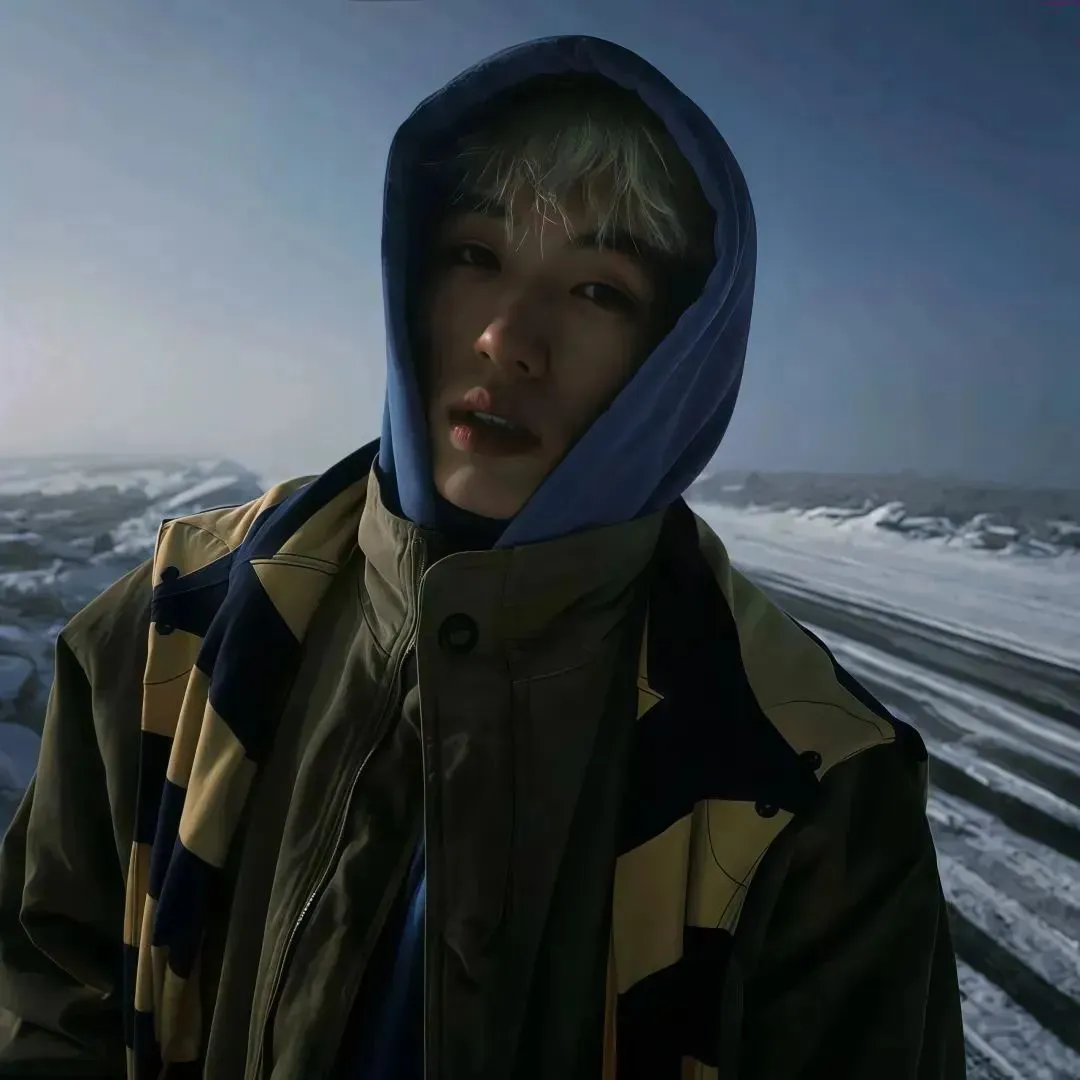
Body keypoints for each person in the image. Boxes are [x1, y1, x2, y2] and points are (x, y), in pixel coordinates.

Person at [0, 35, 966, 1080]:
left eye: (598, 291)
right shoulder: (171, 625)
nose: (509, 338)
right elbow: (49, 995)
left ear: (677, 357)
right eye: (475, 257)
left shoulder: (813, 780)